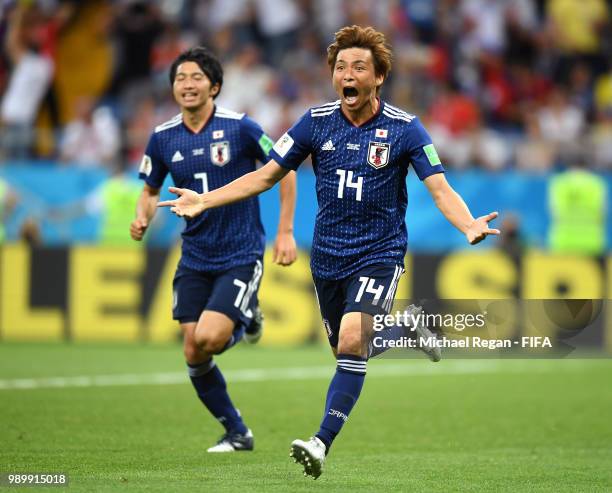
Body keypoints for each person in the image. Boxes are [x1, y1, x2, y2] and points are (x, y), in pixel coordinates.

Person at [158, 27, 499, 478]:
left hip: (379, 251)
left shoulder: (404, 128)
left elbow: (439, 189)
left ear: (378, 77)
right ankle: (408, 329)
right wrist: (206, 198)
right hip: (327, 256)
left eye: (359, 67)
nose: (347, 75)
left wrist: (468, 223)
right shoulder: (314, 122)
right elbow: (265, 177)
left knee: (354, 339)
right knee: (345, 346)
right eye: (340, 67)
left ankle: (320, 441)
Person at [130, 47, 297, 453]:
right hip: (195, 255)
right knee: (193, 349)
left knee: (210, 336)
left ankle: (246, 316)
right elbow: (150, 191)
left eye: (196, 77)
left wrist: (285, 231)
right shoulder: (163, 136)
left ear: (215, 86)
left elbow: (285, 167)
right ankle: (238, 432)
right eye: (180, 78)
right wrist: (142, 217)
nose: (187, 84)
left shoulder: (240, 128)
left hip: (240, 251)